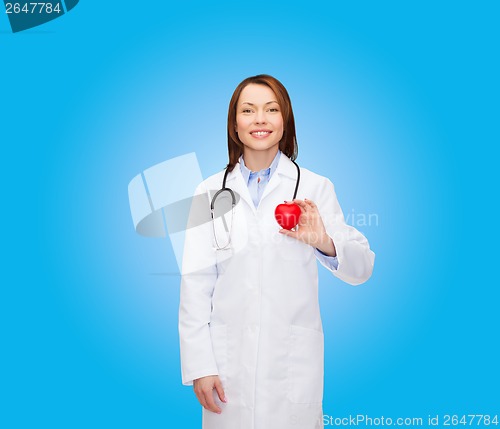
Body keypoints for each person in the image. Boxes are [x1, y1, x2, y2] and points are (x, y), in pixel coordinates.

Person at [178, 74, 375, 429]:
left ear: (285, 121)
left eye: (271, 109)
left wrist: (323, 241)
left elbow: (362, 268)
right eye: (248, 110)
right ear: (234, 124)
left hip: (291, 367)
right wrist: (200, 367)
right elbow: (195, 285)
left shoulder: (315, 187)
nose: (260, 119)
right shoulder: (209, 192)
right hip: (227, 369)